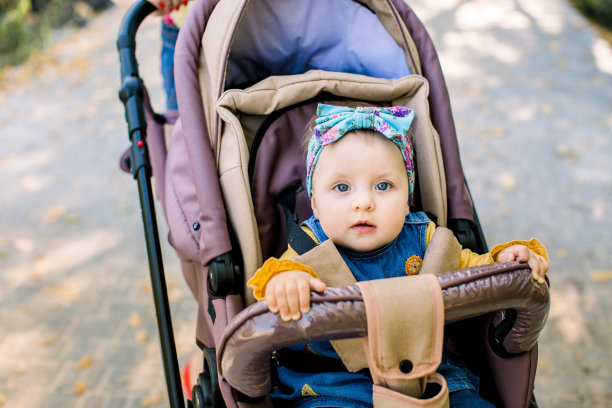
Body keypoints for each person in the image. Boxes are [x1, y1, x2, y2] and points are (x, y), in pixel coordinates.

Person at [247, 103, 549, 407]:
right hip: (332, 385)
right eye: (342, 187)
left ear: (407, 199)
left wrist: (507, 260)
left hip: (426, 375)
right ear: (315, 203)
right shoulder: (308, 248)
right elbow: (274, 279)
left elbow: (476, 270)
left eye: (383, 186)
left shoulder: (425, 239)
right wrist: (286, 282)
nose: (363, 202)